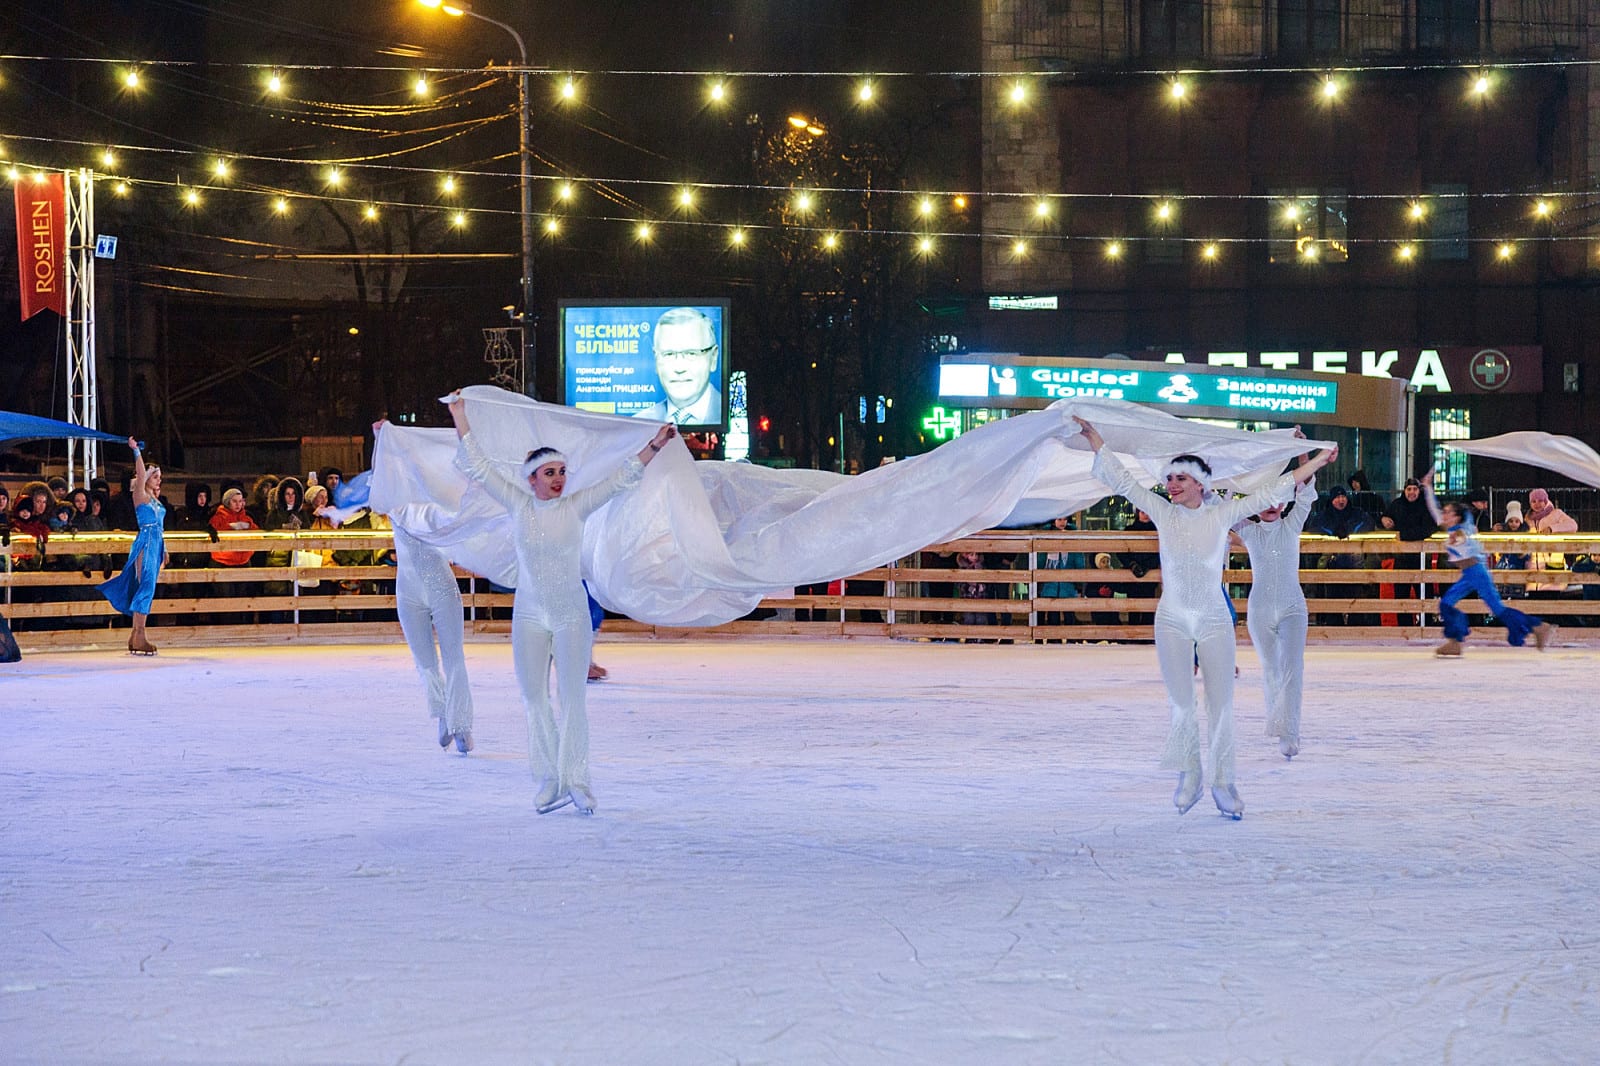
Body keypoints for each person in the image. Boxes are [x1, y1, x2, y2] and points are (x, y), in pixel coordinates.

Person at [1075, 416, 1336, 819]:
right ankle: (1190, 774)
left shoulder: (1222, 515)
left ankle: (1223, 780)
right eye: (1170, 478)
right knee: (1181, 703)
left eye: (1181, 478)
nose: (1172, 484)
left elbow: (1273, 490)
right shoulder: (1163, 512)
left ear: (1200, 483)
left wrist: (1315, 462)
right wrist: (1096, 440)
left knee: (1220, 705)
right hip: (1172, 620)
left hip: (1214, 619)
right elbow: (1124, 483)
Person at [447, 391, 676, 815]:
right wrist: (460, 415)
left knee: (572, 700)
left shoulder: (577, 506)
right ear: (531, 478)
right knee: (534, 699)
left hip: (571, 614)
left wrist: (656, 445)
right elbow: (478, 465)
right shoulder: (517, 504)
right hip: (530, 616)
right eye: (549, 472)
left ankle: (577, 779)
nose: (558, 479)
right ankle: (551, 778)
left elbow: (622, 476)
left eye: (563, 471)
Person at [1233, 432, 1319, 760]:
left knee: (1292, 668)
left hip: (1293, 608)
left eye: (1276, 500)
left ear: (1283, 503)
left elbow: (1306, 491)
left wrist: (1301, 453)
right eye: (1264, 500)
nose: (1271, 506)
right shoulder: (1248, 530)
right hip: (1259, 611)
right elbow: (1220, 506)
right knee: (1271, 669)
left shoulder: (1292, 524)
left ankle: (1290, 731)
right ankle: (1280, 724)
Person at [1421, 469, 1555, 657]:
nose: (1444, 514)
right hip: (1469, 574)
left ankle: (1538, 626)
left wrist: (1459, 533)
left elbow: (1464, 528)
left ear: (1457, 516)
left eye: (1448, 512)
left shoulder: (1464, 527)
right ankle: (1455, 642)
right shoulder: (1451, 526)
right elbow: (1433, 507)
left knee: (1497, 608)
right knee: (1446, 603)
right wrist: (1428, 486)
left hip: (1477, 572)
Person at [97, 437, 167, 655]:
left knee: (148, 587)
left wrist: (164, 549)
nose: (158, 481)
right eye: (155, 476)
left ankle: (137, 634)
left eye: (160, 477)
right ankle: (139, 635)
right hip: (146, 542)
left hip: (156, 543)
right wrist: (136, 452)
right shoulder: (140, 495)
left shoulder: (156, 501)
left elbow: (161, 527)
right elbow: (140, 472)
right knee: (145, 586)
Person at [631, 307, 722, 425]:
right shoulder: (639, 422)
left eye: (691, 353)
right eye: (669, 354)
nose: (679, 368)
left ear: (713, 357)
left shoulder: (730, 413)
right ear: (656, 359)